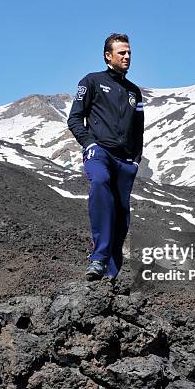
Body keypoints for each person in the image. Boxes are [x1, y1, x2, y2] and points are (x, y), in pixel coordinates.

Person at [67, 33, 144, 281]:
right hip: (99, 151)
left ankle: (110, 274)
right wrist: (89, 144)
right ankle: (98, 259)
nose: (127, 56)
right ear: (108, 56)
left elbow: (138, 129)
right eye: (122, 52)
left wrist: (136, 159)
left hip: (125, 162)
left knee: (121, 215)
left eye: (129, 52)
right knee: (99, 182)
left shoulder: (135, 92)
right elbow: (75, 118)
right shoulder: (91, 81)